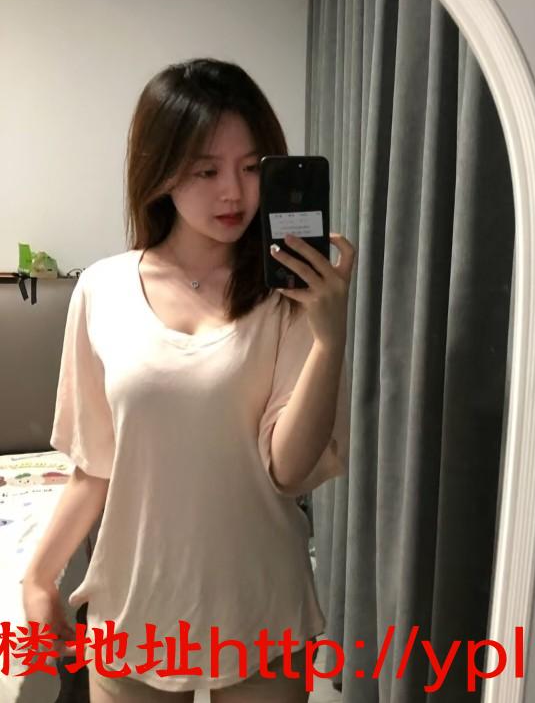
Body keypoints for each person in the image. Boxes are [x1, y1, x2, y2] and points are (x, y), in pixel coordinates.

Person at [21, 58, 356, 702]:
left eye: (251, 167)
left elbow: (288, 471)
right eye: (206, 171)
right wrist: (39, 576)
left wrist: (330, 338)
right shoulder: (102, 289)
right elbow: (97, 465)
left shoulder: (290, 294)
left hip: (259, 606)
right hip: (134, 607)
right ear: (161, 170)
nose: (234, 193)